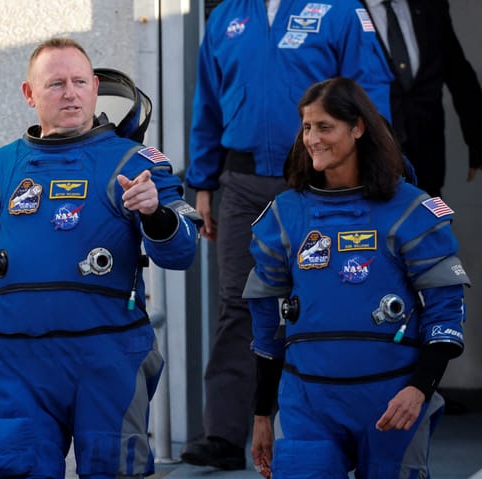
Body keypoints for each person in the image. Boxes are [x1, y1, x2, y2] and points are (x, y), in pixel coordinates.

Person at [0, 36, 202, 479]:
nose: (71, 93)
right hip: (20, 364)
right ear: (30, 94)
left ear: (95, 87)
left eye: (80, 81)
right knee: (11, 470)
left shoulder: (134, 163)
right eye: (56, 84)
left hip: (109, 359)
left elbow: (183, 250)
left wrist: (155, 213)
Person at [181, 0, 395, 470]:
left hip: (319, 184)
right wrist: (201, 181)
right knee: (239, 302)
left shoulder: (340, 11)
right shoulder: (224, 16)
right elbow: (208, 104)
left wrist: (375, 171)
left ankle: (343, 424)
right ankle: (223, 433)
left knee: (334, 297)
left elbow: (371, 90)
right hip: (241, 183)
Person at [244, 77, 469, 478]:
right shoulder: (285, 215)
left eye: (325, 127)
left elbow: (445, 315)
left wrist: (419, 389)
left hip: (391, 402)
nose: (312, 138)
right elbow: (267, 327)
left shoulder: (409, 211)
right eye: (307, 127)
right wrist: (262, 414)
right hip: (307, 404)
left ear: (358, 127)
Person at [362, 0, 482, 197]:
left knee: (434, 223)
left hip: (426, 165)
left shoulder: (430, 5)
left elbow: (459, 74)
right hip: (369, 166)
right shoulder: (341, 10)